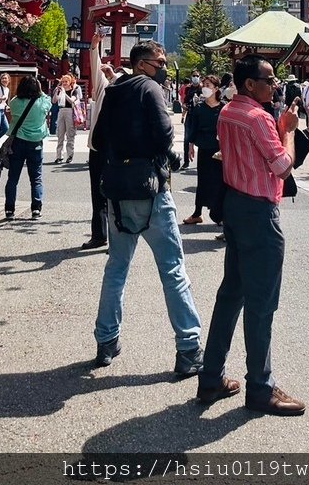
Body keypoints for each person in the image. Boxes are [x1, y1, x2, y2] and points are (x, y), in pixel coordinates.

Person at [196, 53, 304, 415]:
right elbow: (282, 166)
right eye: (269, 79)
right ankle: (261, 387)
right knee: (261, 304)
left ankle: (210, 376)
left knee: (231, 294)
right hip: (259, 211)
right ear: (249, 84)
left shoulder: (227, 112)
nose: (275, 85)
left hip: (235, 206)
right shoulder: (259, 118)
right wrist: (286, 129)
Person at [92, 41, 203, 375]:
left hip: (117, 188)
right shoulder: (150, 88)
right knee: (172, 268)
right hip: (151, 188)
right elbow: (165, 132)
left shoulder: (114, 92)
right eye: (160, 60)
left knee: (117, 267)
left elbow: (98, 139)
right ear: (142, 64)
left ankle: (106, 340)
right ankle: (188, 347)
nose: (164, 65)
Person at [82, 33, 116, 250]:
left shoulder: (124, 87)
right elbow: (96, 68)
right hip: (97, 147)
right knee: (97, 192)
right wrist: (95, 46)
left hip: (116, 149)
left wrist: (114, 77)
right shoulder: (103, 88)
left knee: (115, 195)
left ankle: (117, 239)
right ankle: (99, 234)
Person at [4, 75, 52, 220]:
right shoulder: (43, 102)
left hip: (18, 140)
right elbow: (48, 100)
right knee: (36, 178)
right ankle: (36, 209)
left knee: (13, 177)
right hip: (35, 142)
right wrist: (39, 88)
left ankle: (9, 209)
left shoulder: (14, 102)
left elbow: (10, 113)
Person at [183, 75, 225, 226]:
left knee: (220, 181)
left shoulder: (224, 107)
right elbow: (193, 128)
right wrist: (190, 145)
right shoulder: (199, 107)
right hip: (204, 146)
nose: (205, 87)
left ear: (216, 89)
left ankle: (220, 213)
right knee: (203, 180)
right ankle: (197, 213)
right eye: (204, 84)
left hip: (220, 149)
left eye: (209, 85)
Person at [52, 73, 82, 164]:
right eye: (63, 81)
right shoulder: (60, 90)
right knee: (60, 134)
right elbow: (54, 101)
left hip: (70, 111)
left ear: (70, 82)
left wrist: (65, 93)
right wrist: (57, 92)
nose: (64, 83)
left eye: (66, 81)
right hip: (61, 111)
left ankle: (70, 155)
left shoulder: (74, 90)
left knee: (70, 134)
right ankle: (59, 156)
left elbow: (72, 100)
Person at [182, 74, 203, 167]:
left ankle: (202, 162)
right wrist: (185, 107)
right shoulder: (188, 89)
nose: (195, 77)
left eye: (197, 76)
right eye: (194, 76)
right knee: (187, 139)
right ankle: (186, 161)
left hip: (200, 116)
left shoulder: (202, 89)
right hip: (190, 116)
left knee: (201, 138)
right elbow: (184, 102)